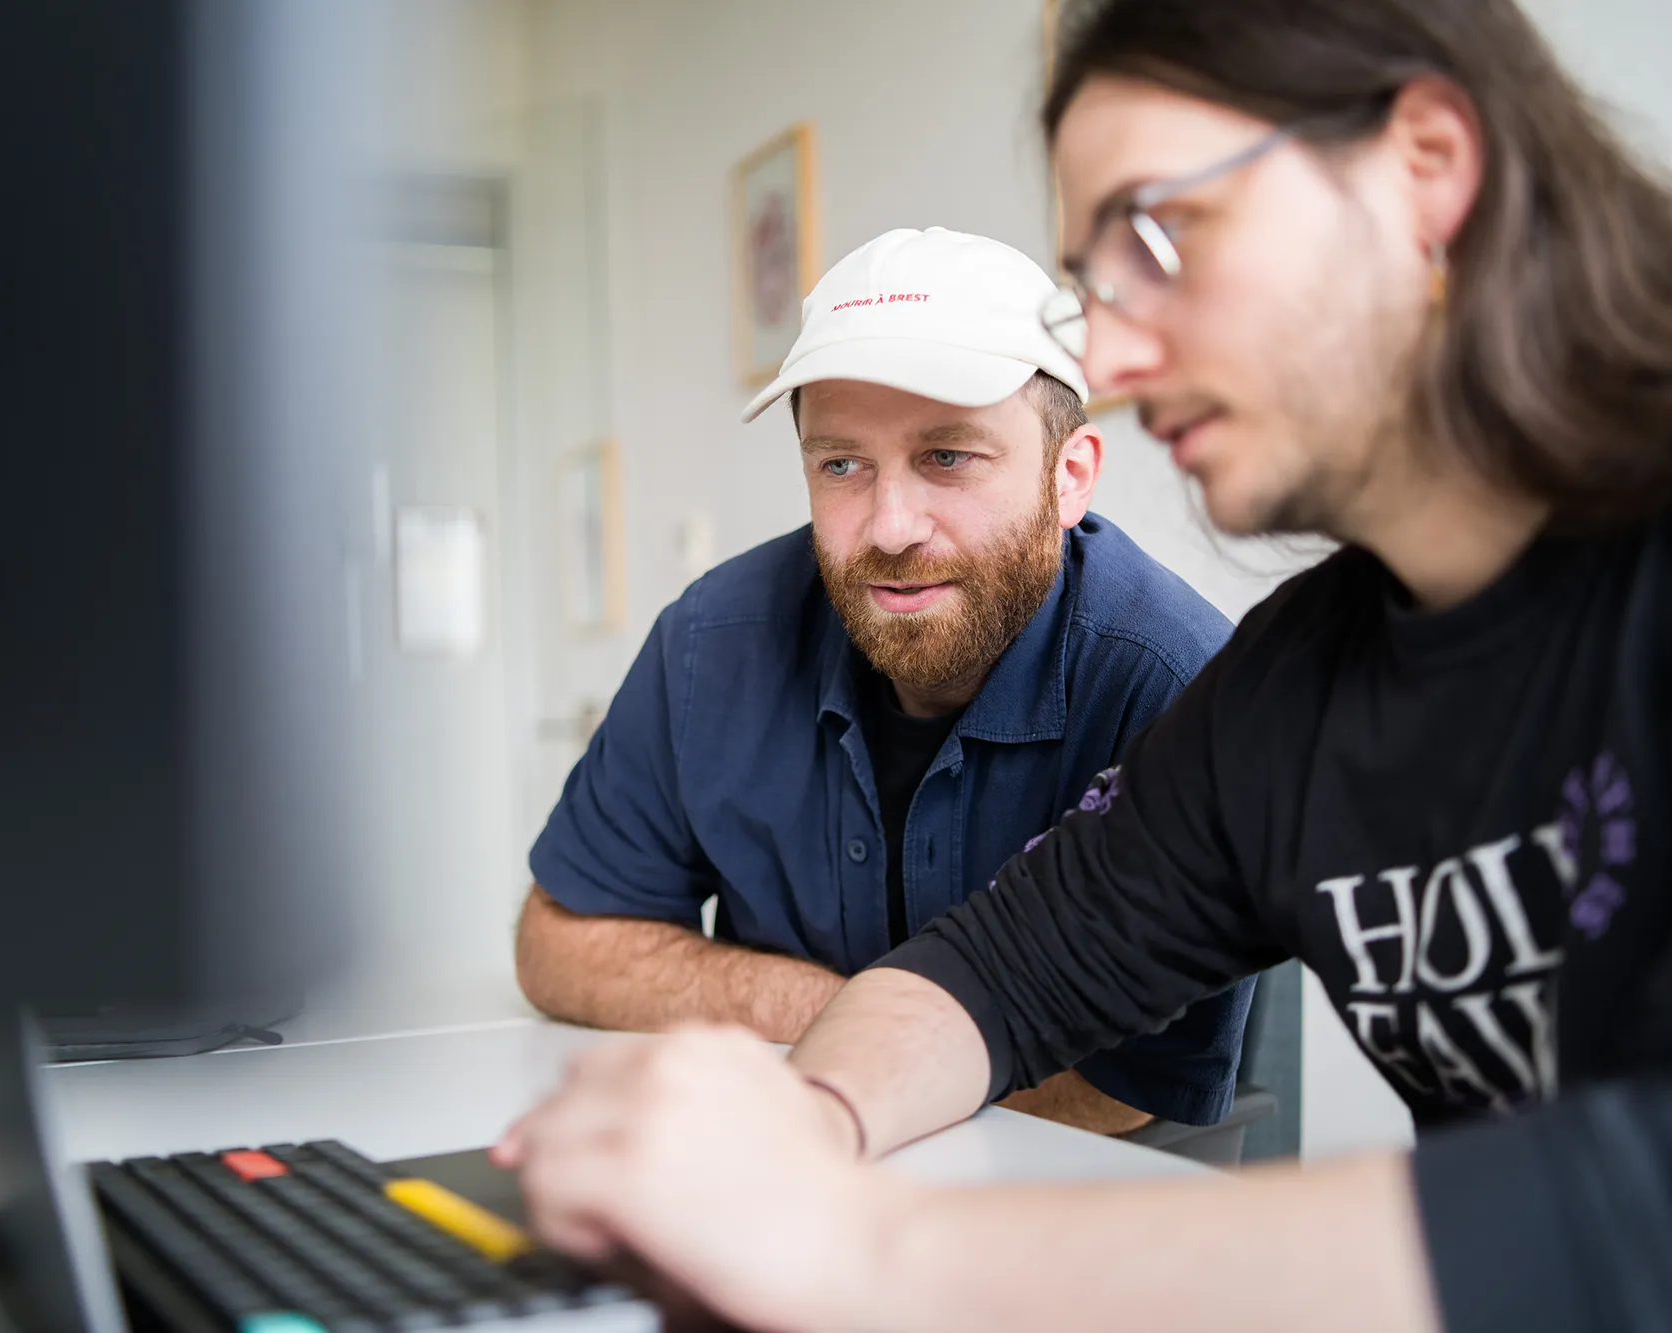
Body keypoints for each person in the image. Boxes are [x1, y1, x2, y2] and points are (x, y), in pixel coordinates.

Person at [495, 1, 1672, 1329]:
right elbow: (993, 976)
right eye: (1100, 279)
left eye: (1163, 236)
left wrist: (871, 1248)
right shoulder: (1297, 685)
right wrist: (800, 1130)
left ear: (1423, 165)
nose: (1118, 356)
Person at [516, 225, 1249, 1136]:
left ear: (1070, 477)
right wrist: (842, 1014)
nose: (891, 526)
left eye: (948, 457)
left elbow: (1118, 1084)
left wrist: (864, 1037)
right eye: (842, 464)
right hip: (785, 1167)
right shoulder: (713, 642)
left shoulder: (1175, 681)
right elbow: (557, 943)